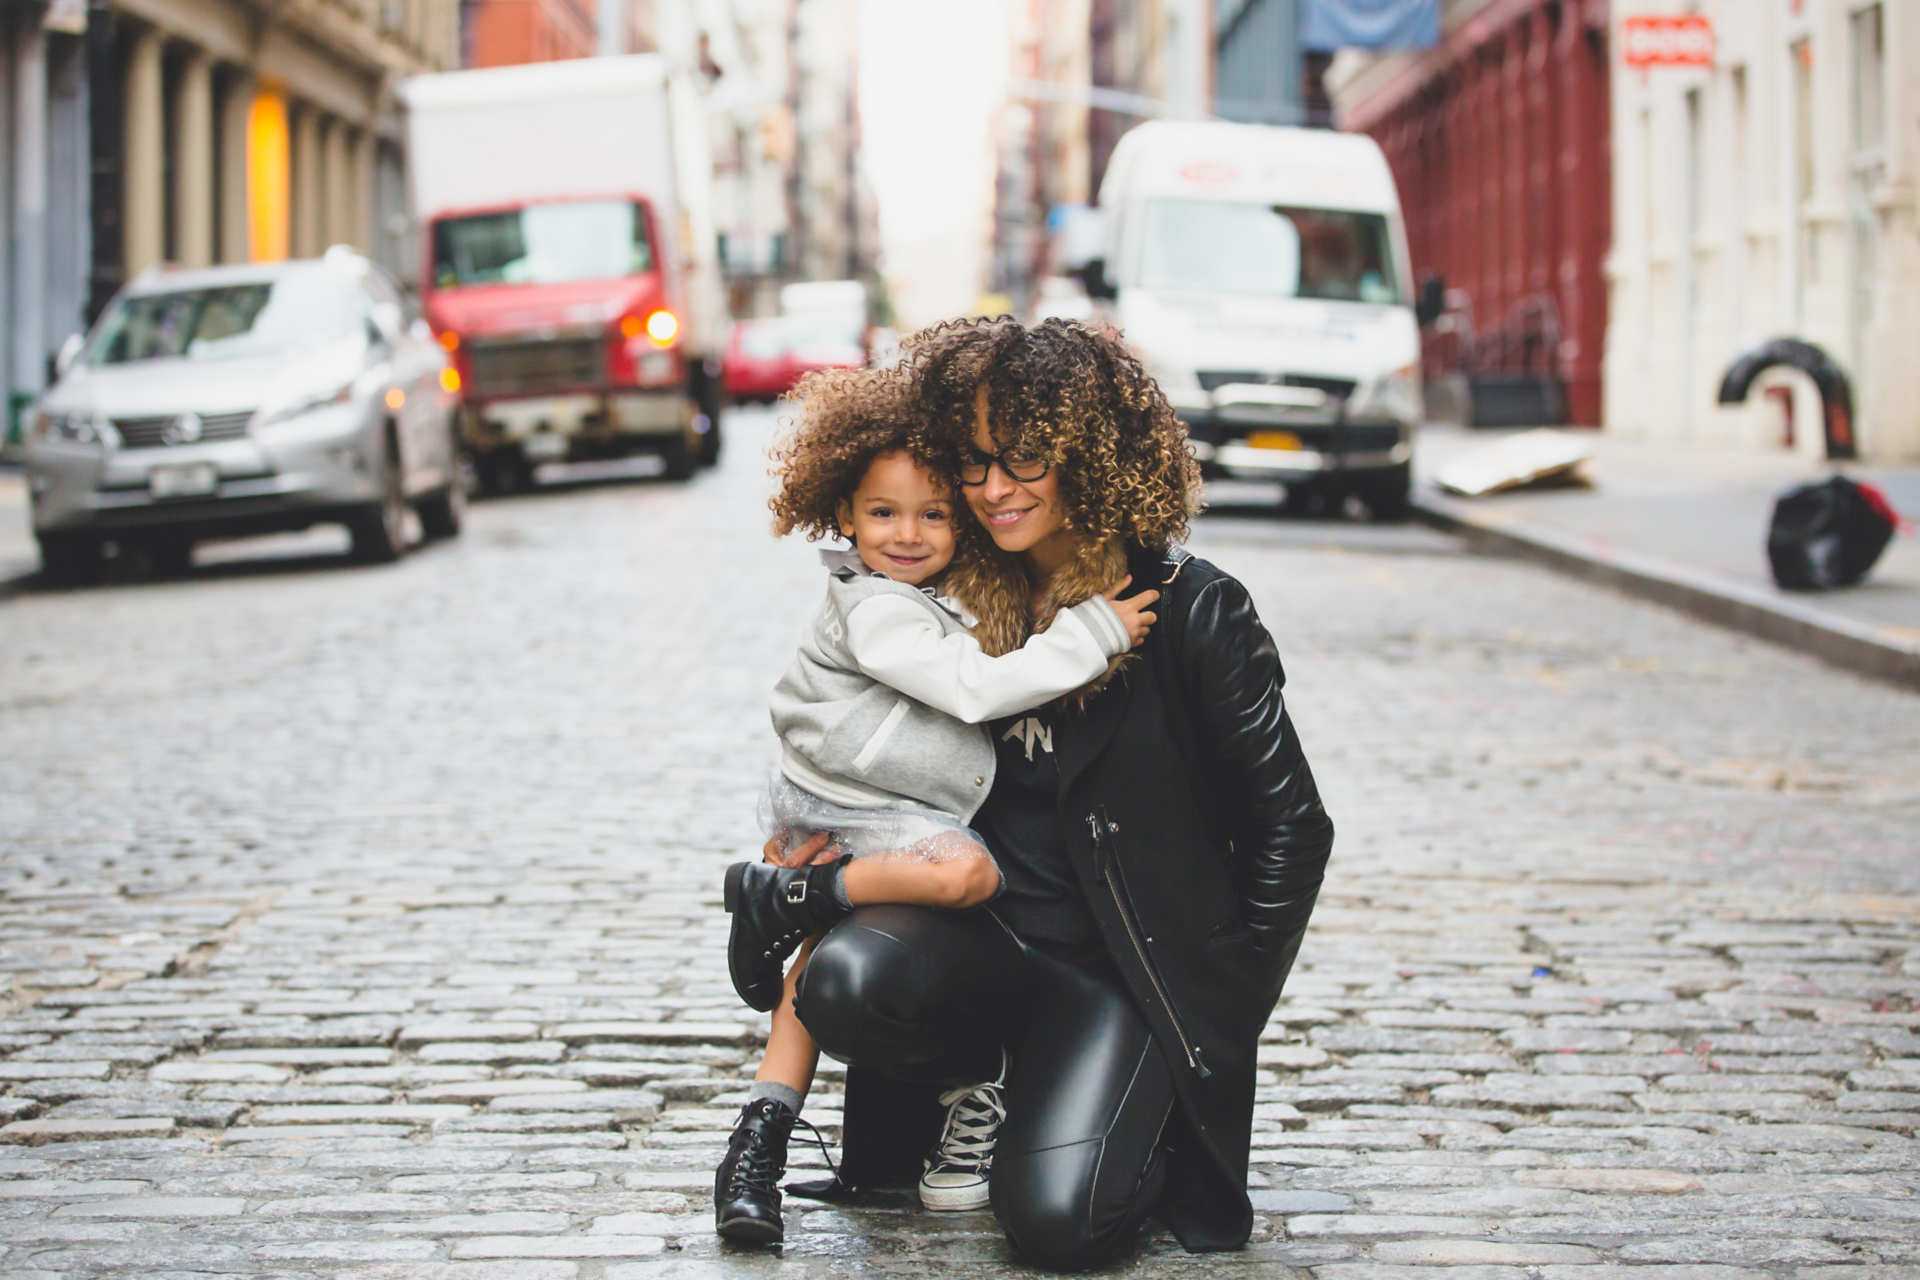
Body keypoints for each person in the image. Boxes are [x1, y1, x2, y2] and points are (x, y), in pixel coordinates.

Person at [784, 317, 1336, 1271]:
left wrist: (1216, 1010)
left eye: (1026, 460)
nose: (994, 489)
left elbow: (1293, 827)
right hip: (984, 945)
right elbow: (847, 734)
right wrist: (809, 848)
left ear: (1092, 455)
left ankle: (1117, 1104)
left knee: (1057, 1227)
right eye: (976, 462)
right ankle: (985, 1086)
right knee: (846, 983)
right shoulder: (950, 594)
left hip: (1120, 974)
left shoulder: (1192, 609)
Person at [714, 364, 1160, 1246]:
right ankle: (806, 902)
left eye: (934, 513)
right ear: (843, 514)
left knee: (819, 949)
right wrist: (1096, 632)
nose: (910, 534)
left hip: (855, 798)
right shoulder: (876, 609)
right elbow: (970, 688)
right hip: (863, 801)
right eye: (884, 514)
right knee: (965, 872)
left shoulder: (932, 593)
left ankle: (756, 1133)